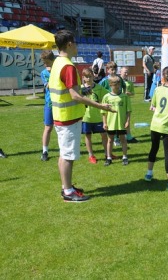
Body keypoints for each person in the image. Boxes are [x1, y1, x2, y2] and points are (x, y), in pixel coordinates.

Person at [49, 29, 114, 202]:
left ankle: (67, 186)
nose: (77, 46)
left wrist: (83, 90)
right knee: (68, 156)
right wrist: (100, 105)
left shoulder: (57, 62)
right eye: (75, 43)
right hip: (68, 117)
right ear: (69, 44)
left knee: (64, 154)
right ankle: (68, 192)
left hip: (61, 116)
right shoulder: (68, 66)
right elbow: (75, 96)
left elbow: (66, 90)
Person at [80, 68, 110, 164]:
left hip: (98, 117)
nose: (88, 79)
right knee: (88, 135)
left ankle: (107, 153)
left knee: (104, 135)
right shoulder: (81, 88)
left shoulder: (99, 87)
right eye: (86, 77)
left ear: (93, 76)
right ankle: (91, 155)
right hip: (86, 117)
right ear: (83, 78)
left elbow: (107, 96)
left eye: (90, 76)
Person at [101, 76, 131, 166]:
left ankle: (125, 157)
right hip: (111, 123)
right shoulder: (106, 97)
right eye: (114, 84)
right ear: (110, 85)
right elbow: (104, 112)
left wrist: (127, 121)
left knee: (123, 139)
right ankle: (109, 157)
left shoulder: (124, 97)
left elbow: (128, 110)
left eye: (118, 84)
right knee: (110, 140)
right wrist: (105, 122)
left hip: (121, 122)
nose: (117, 86)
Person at [40, 50, 55, 161]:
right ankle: (45, 151)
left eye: (47, 62)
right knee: (48, 127)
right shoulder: (44, 73)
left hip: (60, 103)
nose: (45, 65)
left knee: (62, 127)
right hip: (49, 103)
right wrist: (53, 73)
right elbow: (48, 86)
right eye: (44, 62)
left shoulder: (58, 69)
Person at [120, 66, 138, 143]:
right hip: (119, 103)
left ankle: (128, 136)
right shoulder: (117, 81)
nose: (126, 74)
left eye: (127, 72)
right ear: (120, 72)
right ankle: (116, 138)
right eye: (125, 72)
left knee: (127, 120)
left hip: (127, 104)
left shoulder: (130, 83)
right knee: (119, 120)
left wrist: (129, 93)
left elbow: (133, 93)